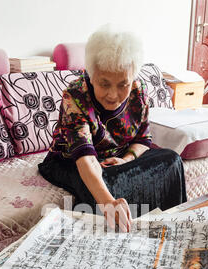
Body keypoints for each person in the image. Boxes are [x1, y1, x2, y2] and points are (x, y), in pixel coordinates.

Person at [38, 25, 186, 232]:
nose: (113, 95)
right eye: (104, 84)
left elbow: (143, 139)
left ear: (132, 77)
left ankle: (164, 232)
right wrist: (109, 203)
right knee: (101, 185)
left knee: (171, 161)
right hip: (71, 160)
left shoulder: (138, 91)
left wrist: (126, 159)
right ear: (91, 74)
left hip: (117, 156)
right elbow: (85, 158)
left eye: (122, 84)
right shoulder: (76, 95)